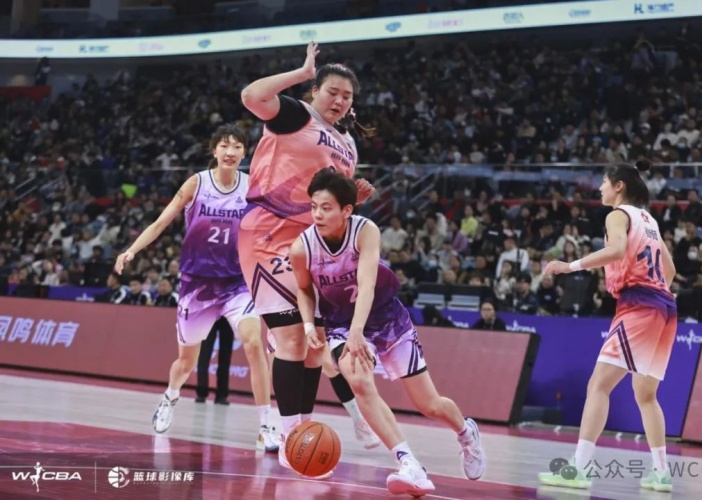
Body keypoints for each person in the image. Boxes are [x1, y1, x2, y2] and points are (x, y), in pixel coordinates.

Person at [289, 169, 486, 495]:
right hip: (341, 323)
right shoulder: (302, 247)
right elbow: (304, 289)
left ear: (347, 210)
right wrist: (310, 324)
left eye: (326, 207)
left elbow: (366, 284)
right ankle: (409, 463)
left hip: (387, 319)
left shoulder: (366, 231)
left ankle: (466, 433)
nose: (318, 214)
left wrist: (358, 331)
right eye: (313, 207)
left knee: (429, 404)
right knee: (359, 381)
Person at [238, 41, 378, 474]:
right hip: (268, 234)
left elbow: (328, 202)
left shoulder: (348, 145)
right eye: (332, 91)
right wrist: (301, 72)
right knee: (293, 339)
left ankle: (301, 431)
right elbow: (251, 96)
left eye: (347, 96)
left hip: (308, 244)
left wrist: (353, 199)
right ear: (316, 91)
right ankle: (289, 435)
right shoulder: (297, 116)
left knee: (315, 346)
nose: (339, 100)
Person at [114, 124, 280, 453]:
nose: (230, 151)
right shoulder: (197, 183)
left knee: (254, 345)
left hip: (237, 283)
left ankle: (266, 426)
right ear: (214, 150)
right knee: (185, 363)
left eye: (237, 146)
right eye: (224, 145)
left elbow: (274, 224)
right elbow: (161, 222)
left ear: (245, 152)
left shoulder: (252, 186)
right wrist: (132, 250)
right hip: (197, 286)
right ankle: (170, 396)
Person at [538, 160, 677, 493]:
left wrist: (570, 266)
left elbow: (615, 250)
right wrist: (653, 293)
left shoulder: (618, 215)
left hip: (639, 304)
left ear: (619, 185)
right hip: (664, 306)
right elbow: (669, 270)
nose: (600, 187)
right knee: (646, 394)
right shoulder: (650, 221)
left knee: (598, 385)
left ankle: (578, 469)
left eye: (603, 181)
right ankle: (661, 474)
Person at [195, 317, 233, 404]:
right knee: (204, 354)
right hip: (210, 314)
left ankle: (222, 394)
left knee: (225, 355)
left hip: (227, 315)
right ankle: (201, 391)